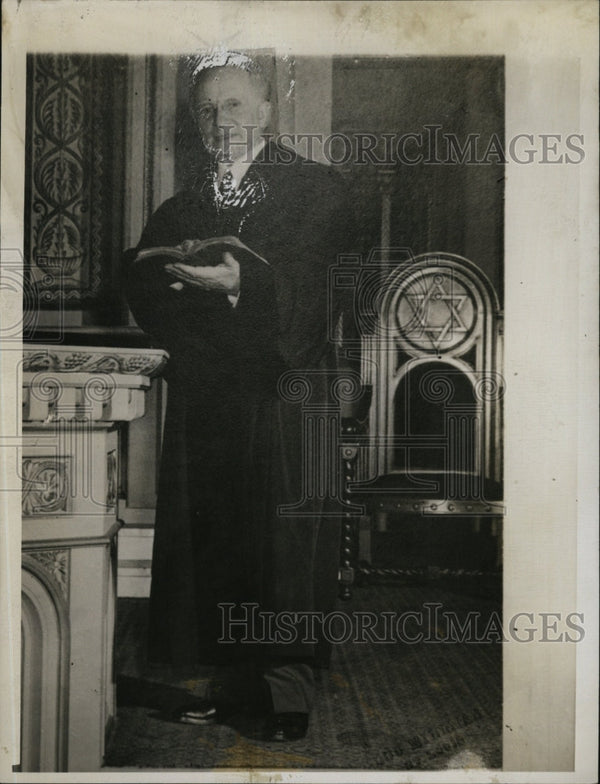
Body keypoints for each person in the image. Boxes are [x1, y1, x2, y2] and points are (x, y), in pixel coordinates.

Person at [125, 53, 358, 742]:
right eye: (205, 109)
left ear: (263, 111)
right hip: (212, 396)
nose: (216, 121)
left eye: (231, 105)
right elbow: (142, 283)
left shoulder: (316, 189)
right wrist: (167, 283)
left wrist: (237, 285)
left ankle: (285, 697)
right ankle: (227, 687)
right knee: (217, 541)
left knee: (283, 548)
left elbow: (316, 289)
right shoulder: (184, 205)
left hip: (285, 394)